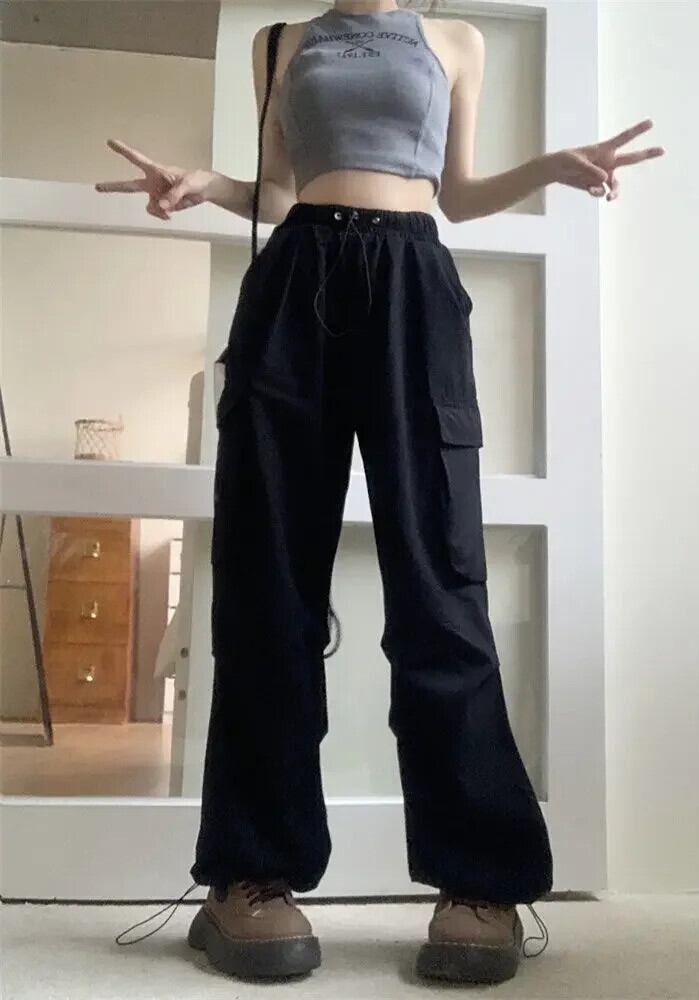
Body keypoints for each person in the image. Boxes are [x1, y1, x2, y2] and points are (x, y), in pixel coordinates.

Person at [97, 0, 663, 985]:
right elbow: (280, 188)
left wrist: (550, 166)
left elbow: (461, 194)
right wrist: (207, 184)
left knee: (442, 586)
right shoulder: (282, 43)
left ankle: (480, 880)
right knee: (268, 588)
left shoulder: (454, 42)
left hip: (414, 286)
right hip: (295, 285)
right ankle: (249, 874)